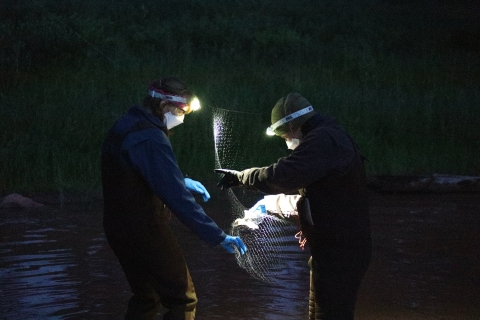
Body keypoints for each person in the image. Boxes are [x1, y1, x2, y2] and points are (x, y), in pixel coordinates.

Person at [215, 92, 371, 320]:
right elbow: (317, 198)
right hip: (330, 249)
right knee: (317, 313)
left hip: (341, 253)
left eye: (281, 135)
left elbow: (282, 175)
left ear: (291, 128)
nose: (284, 141)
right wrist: (287, 212)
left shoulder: (322, 140)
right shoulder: (326, 137)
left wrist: (242, 177)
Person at [101, 77, 247, 320]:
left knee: (147, 298)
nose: (183, 117)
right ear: (163, 105)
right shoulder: (150, 137)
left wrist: (178, 179)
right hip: (144, 230)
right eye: (181, 110)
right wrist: (217, 236)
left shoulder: (128, 123)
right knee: (183, 298)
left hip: (118, 228)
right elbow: (180, 201)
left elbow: (139, 171)